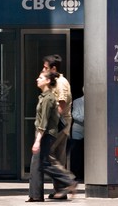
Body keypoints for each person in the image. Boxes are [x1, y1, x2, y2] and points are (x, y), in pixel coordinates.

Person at [26, 71, 77, 202]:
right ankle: (37, 195)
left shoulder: (48, 98)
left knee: (44, 163)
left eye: (41, 77)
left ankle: (68, 181)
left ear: (48, 81)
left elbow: (44, 121)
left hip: (46, 134)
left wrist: (37, 140)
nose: (37, 79)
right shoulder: (43, 96)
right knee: (42, 163)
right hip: (44, 134)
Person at [42, 54, 73, 199]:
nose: (43, 69)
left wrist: (50, 125)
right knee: (59, 156)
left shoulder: (61, 83)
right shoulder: (55, 82)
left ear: (54, 68)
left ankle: (67, 181)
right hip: (62, 125)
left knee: (47, 153)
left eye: (46, 67)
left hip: (60, 124)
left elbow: (61, 106)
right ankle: (61, 190)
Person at [70, 88, 84, 180]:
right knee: (76, 152)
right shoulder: (77, 101)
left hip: (92, 130)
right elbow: (74, 115)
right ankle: (75, 174)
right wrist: (85, 118)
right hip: (78, 130)